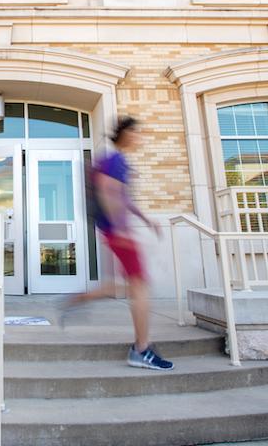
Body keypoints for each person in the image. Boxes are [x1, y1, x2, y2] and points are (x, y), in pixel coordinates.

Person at [63, 117, 173, 371]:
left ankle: (76, 300)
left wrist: (146, 219)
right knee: (140, 286)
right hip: (118, 233)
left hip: (115, 232)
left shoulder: (113, 160)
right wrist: (121, 228)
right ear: (124, 134)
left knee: (121, 286)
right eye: (135, 132)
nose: (139, 137)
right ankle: (141, 349)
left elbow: (122, 197)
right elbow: (108, 190)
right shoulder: (117, 159)